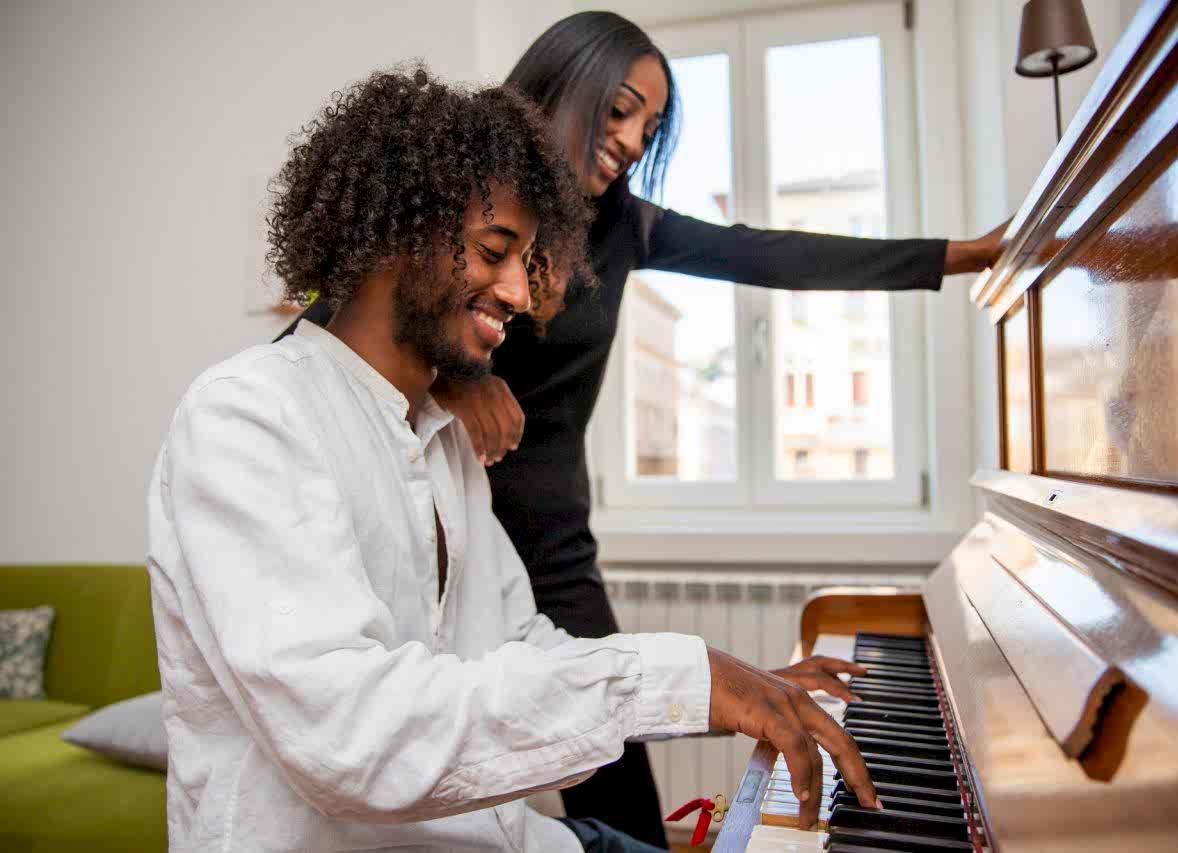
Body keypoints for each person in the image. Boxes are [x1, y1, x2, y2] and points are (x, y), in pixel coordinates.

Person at [281, 12, 1005, 846]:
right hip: (437, 510)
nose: (630, 139)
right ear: (563, 85)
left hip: (546, 546)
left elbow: (768, 252)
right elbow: (340, 333)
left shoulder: (625, 227)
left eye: (649, 128)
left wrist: (955, 255)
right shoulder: (452, 193)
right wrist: (459, 379)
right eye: (619, 109)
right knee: (430, 766)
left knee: (615, 798)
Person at [150, 68, 876, 853]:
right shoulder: (248, 417)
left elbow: (519, 642)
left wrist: (727, 686)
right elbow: (350, 738)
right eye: (497, 251)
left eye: (525, 258)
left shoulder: (445, 438)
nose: (521, 294)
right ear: (401, 232)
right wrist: (680, 677)